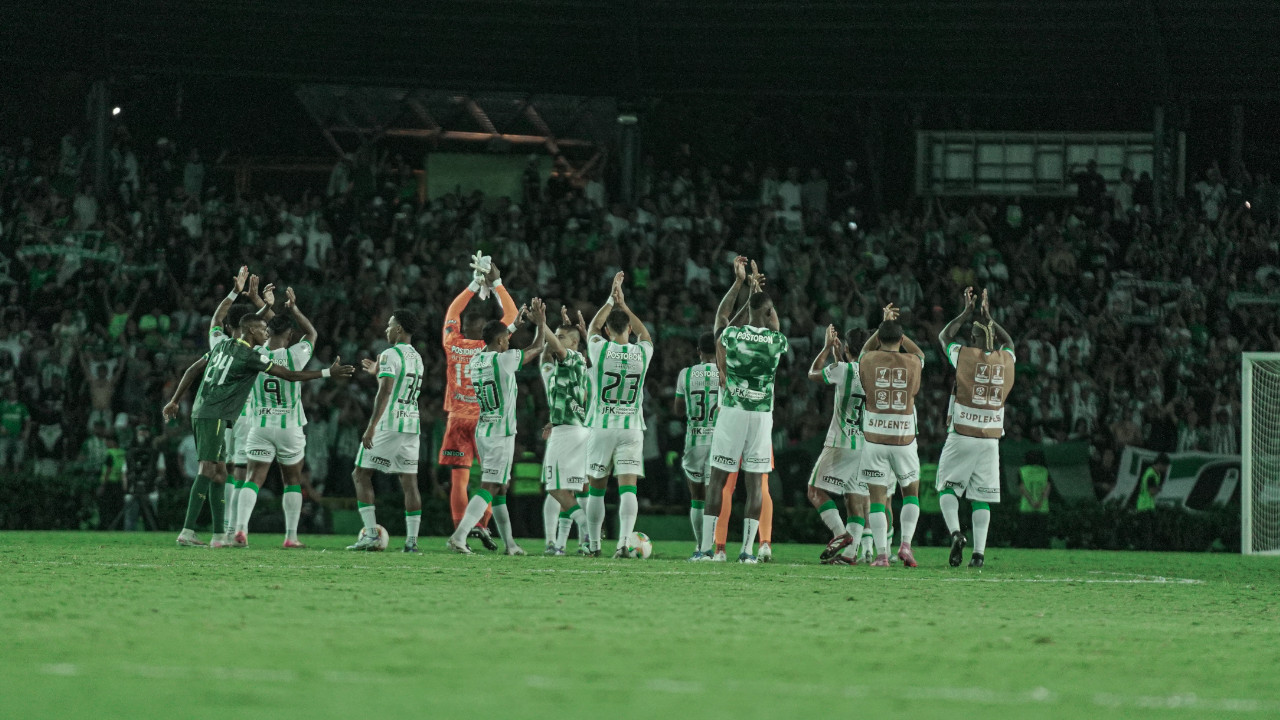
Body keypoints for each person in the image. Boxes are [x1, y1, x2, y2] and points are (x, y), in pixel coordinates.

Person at [163, 311, 353, 548]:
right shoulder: (253, 356)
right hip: (228, 415)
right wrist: (327, 372)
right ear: (252, 331)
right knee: (211, 471)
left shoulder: (224, 346)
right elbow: (291, 373)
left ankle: (222, 534)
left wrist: (175, 400)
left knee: (225, 474)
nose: (266, 332)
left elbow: (193, 368)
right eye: (262, 329)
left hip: (236, 419)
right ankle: (188, 530)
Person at [698, 261, 789, 564]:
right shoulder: (776, 340)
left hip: (733, 411)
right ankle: (748, 551)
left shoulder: (733, 337)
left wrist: (740, 285)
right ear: (768, 311)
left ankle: (709, 550)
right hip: (761, 415)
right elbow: (773, 321)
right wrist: (759, 292)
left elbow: (721, 321)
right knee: (755, 485)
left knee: (718, 481)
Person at [448, 299, 550, 554]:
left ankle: (510, 544)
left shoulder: (476, 361)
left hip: (484, 430)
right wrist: (542, 323)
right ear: (500, 342)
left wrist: (513, 326)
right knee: (490, 486)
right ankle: (459, 536)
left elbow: (497, 338)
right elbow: (537, 347)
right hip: (500, 434)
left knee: (501, 487)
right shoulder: (505, 360)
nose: (509, 342)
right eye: (506, 339)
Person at [935, 287, 1017, 568]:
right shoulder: (1005, 360)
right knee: (981, 497)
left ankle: (957, 533)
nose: (969, 338)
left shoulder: (965, 355)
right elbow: (1011, 343)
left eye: (973, 335)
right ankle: (979, 555)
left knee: (947, 489)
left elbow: (943, 336)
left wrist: (966, 312)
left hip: (963, 434)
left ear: (976, 338)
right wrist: (990, 318)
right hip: (991, 439)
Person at [440, 260, 518, 551]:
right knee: (492, 481)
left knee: (459, 479)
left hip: (458, 416)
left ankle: (463, 527)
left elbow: (451, 312)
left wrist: (474, 285)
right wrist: (496, 283)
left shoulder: (452, 342)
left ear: (463, 327)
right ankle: (480, 526)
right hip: (487, 418)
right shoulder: (488, 349)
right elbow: (510, 314)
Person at [235, 287, 321, 549]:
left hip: (259, 424)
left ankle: (240, 531)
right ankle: (291, 536)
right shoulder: (295, 355)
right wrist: (294, 309)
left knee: (254, 478)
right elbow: (312, 333)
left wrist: (258, 301)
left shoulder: (253, 355)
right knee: (292, 480)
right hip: (290, 426)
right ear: (290, 335)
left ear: (267, 332)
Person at [581, 272, 654, 558]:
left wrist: (612, 299)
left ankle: (595, 545)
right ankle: (624, 544)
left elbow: (593, 326)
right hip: (632, 428)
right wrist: (625, 306)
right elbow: (645, 334)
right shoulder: (642, 352)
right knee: (628, 488)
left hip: (602, 425)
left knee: (597, 488)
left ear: (608, 332)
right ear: (628, 330)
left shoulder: (600, 349)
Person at [347, 310, 427, 552]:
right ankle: (412, 543)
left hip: (390, 423)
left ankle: (371, 535)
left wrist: (371, 427)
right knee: (409, 482)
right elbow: (399, 383)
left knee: (360, 474)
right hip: (412, 423)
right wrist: (376, 372)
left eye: (390, 325)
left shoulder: (390, 354)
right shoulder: (418, 357)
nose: (386, 330)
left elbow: (386, 391)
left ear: (400, 329)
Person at [857, 304, 925, 567]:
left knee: (877, 500)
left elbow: (863, 351)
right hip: (904, 438)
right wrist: (898, 331)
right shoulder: (912, 361)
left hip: (875, 438)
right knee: (910, 494)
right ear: (900, 339)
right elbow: (920, 353)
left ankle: (882, 555)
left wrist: (883, 326)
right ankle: (905, 545)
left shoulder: (868, 359)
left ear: (879, 337)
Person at [807, 325, 870, 565]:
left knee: (814, 491)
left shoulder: (843, 369)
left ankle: (839, 534)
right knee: (854, 501)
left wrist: (825, 348)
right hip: (864, 445)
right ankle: (849, 555)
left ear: (846, 348)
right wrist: (838, 357)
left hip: (840, 442)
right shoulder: (872, 371)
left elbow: (813, 373)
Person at [539, 305, 592, 555]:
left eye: (562, 338)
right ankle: (563, 544)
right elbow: (545, 359)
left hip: (568, 433)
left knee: (554, 488)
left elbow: (557, 349)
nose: (556, 342)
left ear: (573, 342)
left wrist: (542, 324)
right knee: (570, 489)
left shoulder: (571, 357)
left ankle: (587, 531)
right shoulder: (563, 369)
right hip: (574, 429)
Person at [675, 332, 721, 559]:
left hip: (694, 439)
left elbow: (677, 410)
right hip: (718, 441)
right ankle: (708, 547)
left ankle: (699, 547)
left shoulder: (686, 373)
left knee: (697, 498)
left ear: (698, 351)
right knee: (714, 496)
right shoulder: (725, 373)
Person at [1017, 450, 1052, 548]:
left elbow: (1022, 488)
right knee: (1041, 533)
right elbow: (1048, 488)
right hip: (1042, 507)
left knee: (1025, 533)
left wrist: (1032, 502)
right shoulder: (1045, 471)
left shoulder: (1022, 470)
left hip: (1026, 507)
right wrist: (1040, 501)